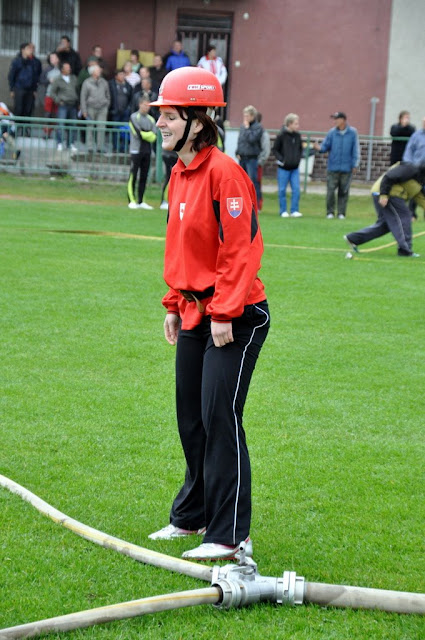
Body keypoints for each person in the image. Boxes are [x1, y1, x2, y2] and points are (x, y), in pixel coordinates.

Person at [147, 67, 270, 562]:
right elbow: (182, 246)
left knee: (220, 417)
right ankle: (192, 516)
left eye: (169, 115)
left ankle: (231, 534)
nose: (159, 123)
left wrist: (223, 311)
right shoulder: (179, 173)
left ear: (198, 121)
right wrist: (175, 303)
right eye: (160, 114)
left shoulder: (225, 172)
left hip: (236, 316)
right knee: (192, 418)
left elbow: (241, 250)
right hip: (197, 313)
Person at [344, 162, 424, 258]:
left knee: (386, 225)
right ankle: (405, 250)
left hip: (387, 194)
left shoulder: (421, 180)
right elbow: (388, 177)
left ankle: (353, 238)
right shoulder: (410, 169)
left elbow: (420, 197)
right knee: (404, 217)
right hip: (388, 194)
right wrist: (384, 195)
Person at [314, 111, 359, 219]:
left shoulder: (352, 133)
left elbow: (355, 149)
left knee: (343, 191)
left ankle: (341, 213)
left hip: (346, 168)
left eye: (337, 119)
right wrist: (319, 148)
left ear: (343, 120)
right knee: (330, 191)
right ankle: (330, 212)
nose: (335, 121)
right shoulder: (331, 133)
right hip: (333, 167)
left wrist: (355, 164)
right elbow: (325, 146)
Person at [127, 93, 157, 210]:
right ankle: (131, 200)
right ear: (140, 104)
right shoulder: (134, 117)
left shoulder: (151, 119)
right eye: (144, 105)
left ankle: (141, 200)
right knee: (133, 175)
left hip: (147, 151)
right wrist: (147, 134)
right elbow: (138, 134)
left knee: (144, 176)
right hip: (136, 150)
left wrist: (146, 134)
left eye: (148, 105)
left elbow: (154, 136)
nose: (146, 107)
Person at [273, 113, 304, 218]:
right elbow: (275, 150)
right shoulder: (281, 135)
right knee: (282, 190)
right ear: (289, 124)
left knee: (296, 189)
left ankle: (294, 210)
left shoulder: (298, 136)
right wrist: (282, 160)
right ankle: (283, 211)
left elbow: (300, 149)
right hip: (283, 168)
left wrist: (298, 159)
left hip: (295, 168)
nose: (297, 126)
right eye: (296, 123)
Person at [8, 42, 42, 131]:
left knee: (28, 110)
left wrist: (35, 89)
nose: (31, 50)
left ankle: (26, 129)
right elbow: (11, 75)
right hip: (19, 88)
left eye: (32, 48)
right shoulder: (17, 61)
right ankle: (16, 129)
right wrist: (12, 89)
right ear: (23, 50)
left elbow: (37, 76)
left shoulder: (35, 62)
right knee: (19, 109)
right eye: (28, 48)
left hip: (30, 90)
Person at [235, 105, 263, 205]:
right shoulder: (243, 126)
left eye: (247, 116)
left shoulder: (258, 127)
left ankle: (255, 203)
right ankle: (244, 202)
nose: (245, 118)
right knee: (241, 181)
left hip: (251, 159)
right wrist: (237, 152)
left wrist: (247, 129)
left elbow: (252, 139)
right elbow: (241, 140)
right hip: (242, 157)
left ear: (252, 116)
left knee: (252, 181)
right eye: (244, 116)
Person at [80, 64, 111, 153]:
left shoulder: (104, 82)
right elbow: (83, 97)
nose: (99, 71)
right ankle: (89, 147)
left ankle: (100, 147)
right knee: (90, 127)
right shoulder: (86, 82)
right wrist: (84, 110)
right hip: (91, 108)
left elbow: (108, 95)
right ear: (93, 72)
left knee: (101, 127)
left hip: (102, 108)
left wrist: (106, 104)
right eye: (97, 70)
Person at [50, 61, 78, 151]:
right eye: (67, 68)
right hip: (63, 105)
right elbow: (52, 92)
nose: (69, 69)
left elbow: (77, 89)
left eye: (69, 67)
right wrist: (58, 100)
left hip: (73, 104)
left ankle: (71, 143)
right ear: (62, 69)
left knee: (73, 125)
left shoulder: (73, 78)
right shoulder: (58, 79)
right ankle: (60, 143)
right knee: (61, 124)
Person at [108, 69, 133, 151]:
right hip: (115, 111)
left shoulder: (128, 85)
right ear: (116, 76)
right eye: (120, 75)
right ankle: (115, 147)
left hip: (125, 112)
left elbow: (131, 98)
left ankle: (123, 148)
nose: (122, 76)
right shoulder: (111, 85)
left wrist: (128, 109)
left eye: (123, 75)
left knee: (124, 130)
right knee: (115, 130)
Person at [40, 52, 61, 133]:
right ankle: (46, 133)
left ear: (58, 59)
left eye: (54, 57)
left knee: (56, 114)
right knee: (47, 114)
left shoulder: (61, 69)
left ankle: (55, 132)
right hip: (48, 95)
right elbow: (41, 81)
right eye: (51, 58)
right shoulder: (47, 70)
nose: (52, 59)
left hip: (59, 96)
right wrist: (49, 81)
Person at [256, 112, 270, 212]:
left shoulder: (262, 133)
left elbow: (266, 149)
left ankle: (257, 205)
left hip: (257, 163)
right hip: (246, 161)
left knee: (257, 183)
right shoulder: (245, 129)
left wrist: (260, 161)